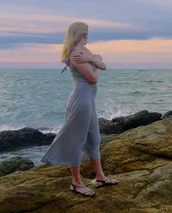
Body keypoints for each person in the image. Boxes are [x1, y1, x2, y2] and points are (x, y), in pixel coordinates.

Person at [41, 21, 118, 197]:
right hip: (80, 101)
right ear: (80, 32)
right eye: (86, 32)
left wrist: (94, 60)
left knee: (94, 138)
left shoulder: (86, 51)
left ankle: (100, 177)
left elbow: (103, 65)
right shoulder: (76, 54)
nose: (88, 34)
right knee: (77, 140)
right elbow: (93, 78)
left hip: (89, 100)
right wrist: (97, 62)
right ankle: (76, 183)